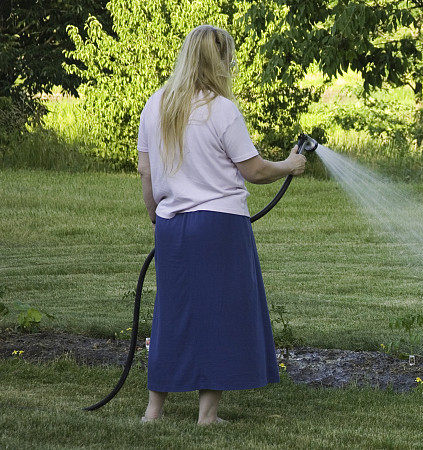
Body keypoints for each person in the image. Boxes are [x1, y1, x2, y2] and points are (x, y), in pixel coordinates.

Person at [135, 24, 306, 425]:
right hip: (219, 226)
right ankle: (206, 417)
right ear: (220, 60)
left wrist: (158, 219)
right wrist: (290, 165)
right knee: (219, 314)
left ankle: (153, 411)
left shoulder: (155, 104)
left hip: (172, 225)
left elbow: (146, 172)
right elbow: (255, 170)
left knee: (171, 316)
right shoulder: (220, 109)